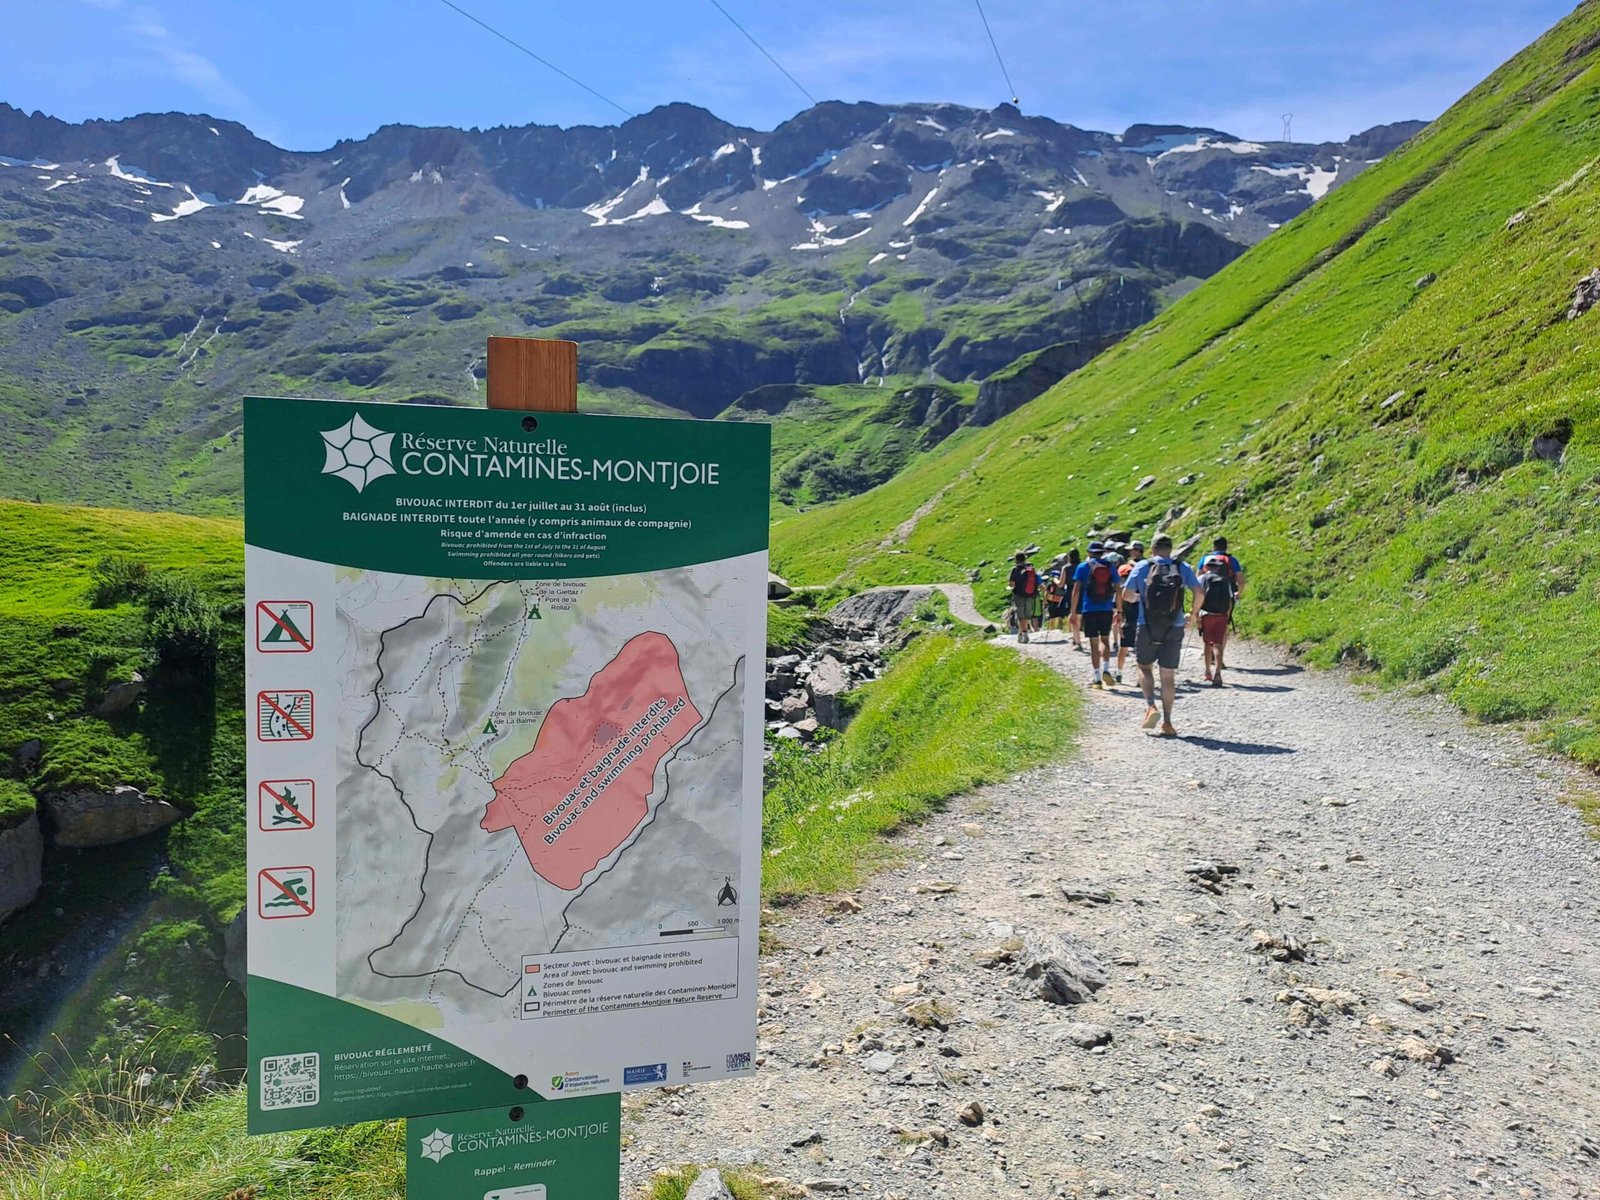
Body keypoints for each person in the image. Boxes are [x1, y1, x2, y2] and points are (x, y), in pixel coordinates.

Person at [1121, 534, 1203, 736]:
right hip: (1174, 626)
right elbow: (1199, 592)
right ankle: (1167, 722)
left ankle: (1151, 706)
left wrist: (1141, 597)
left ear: (1152, 548)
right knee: (1168, 676)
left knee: (1144, 667)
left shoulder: (1143, 567)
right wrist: (1192, 614)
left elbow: (1126, 595)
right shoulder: (1182, 567)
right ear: (1171, 548)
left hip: (1146, 624)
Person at [1071, 541, 1119, 689]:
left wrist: (1073, 612)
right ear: (1102, 552)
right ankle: (1106, 669)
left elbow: (1076, 590)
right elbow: (1118, 588)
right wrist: (1120, 610)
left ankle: (1097, 679)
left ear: (1090, 552)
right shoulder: (1110, 567)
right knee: (1105, 639)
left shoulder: (1083, 567)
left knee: (1093, 643)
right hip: (1106, 608)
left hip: (1089, 609)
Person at [1195, 554, 1237, 686]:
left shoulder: (1202, 578)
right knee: (1218, 644)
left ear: (1206, 567)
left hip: (1206, 614)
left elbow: (1198, 596)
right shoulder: (1225, 580)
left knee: (1208, 643)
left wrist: (1196, 614)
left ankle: (1207, 672)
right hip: (1221, 615)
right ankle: (1218, 673)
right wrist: (1227, 615)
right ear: (1218, 567)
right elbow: (1230, 601)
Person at [1114, 541, 1146, 683]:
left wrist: (1119, 611)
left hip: (1129, 611)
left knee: (1124, 645)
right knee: (1141, 649)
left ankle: (1119, 673)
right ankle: (1141, 678)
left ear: (1138, 550)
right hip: (1143, 611)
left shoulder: (1129, 569)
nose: (1130, 552)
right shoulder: (1148, 566)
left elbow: (1122, 592)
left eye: (1132, 550)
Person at [1008, 551, 1040, 643]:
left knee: (1021, 616)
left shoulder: (1015, 570)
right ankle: (1021, 633)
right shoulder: (1030, 568)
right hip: (1030, 594)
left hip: (1019, 595)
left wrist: (1011, 585)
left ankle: (1024, 634)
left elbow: (1011, 584)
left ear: (1016, 559)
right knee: (1027, 615)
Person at [1062, 548, 1083, 649]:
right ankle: (1076, 638)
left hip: (1071, 592)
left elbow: (1061, 584)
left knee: (1073, 616)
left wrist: (1055, 580)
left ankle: (1077, 640)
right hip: (1083, 592)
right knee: (1078, 616)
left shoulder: (1066, 568)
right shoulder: (1082, 566)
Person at [1043, 565, 1070, 642]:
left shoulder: (1049, 584)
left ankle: (1052, 630)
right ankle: (1060, 629)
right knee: (1060, 616)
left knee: (1052, 617)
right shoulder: (1061, 585)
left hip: (1052, 602)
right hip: (1060, 602)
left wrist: (1045, 602)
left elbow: (1046, 593)